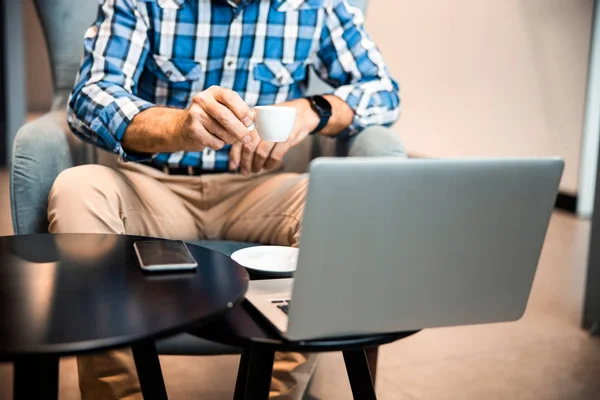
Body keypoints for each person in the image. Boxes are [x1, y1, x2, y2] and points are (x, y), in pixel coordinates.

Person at [49, 0, 401, 398]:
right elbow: (89, 95)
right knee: (76, 190)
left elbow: (385, 90)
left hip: (260, 191)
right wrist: (178, 126)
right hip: (153, 187)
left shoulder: (319, 6)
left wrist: (311, 110)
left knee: (343, 204)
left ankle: (276, 395)